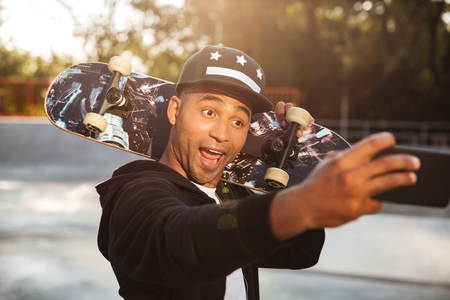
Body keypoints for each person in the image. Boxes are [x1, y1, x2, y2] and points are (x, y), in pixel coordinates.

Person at [96, 45, 420, 300]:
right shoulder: (134, 193)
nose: (222, 134)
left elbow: (300, 251)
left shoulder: (229, 193)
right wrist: (300, 204)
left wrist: (285, 162)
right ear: (175, 110)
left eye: (238, 121)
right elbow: (183, 241)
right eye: (209, 112)